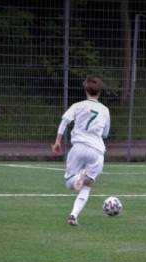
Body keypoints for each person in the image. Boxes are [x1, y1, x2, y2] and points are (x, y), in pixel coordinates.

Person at [52, 75, 110, 226]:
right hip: (97, 152)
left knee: (69, 183)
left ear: (85, 91)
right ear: (100, 92)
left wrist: (57, 141)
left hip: (79, 147)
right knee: (87, 186)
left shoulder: (78, 106)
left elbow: (65, 121)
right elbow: (105, 134)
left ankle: (79, 178)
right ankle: (74, 215)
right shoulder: (105, 110)